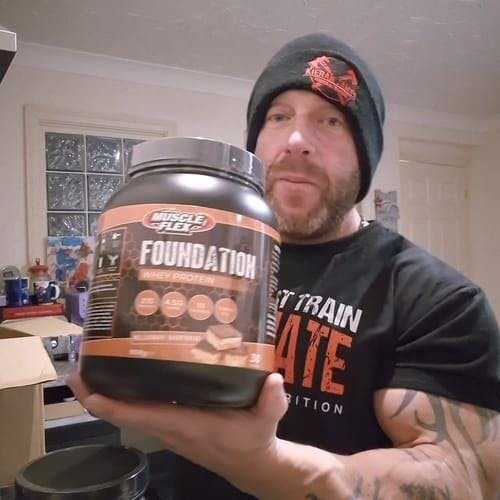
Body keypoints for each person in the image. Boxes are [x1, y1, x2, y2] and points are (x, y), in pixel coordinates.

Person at [68, 33, 500, 499]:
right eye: (279, 117)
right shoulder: (219, 255)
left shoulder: (438, 300)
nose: (297, 141)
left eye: (331, 120)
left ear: (364, 155)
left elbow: (464, 476)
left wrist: (264, 463)